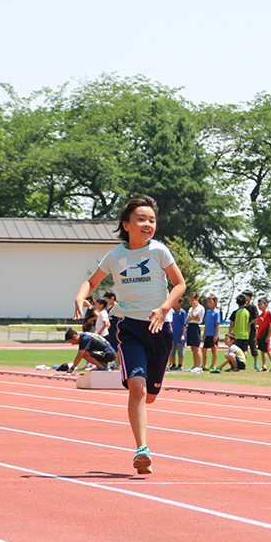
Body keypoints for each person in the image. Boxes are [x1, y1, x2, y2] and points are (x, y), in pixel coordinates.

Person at [74, 195, 185, 475]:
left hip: (159, 328)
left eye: (152, 220)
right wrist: (80, 296)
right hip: (128, 326)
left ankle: (144, 416)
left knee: (149, 396)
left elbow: (179, 284)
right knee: (138, 388)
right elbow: (91, 281)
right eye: (141, 219)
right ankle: (142, 449)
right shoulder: (115, 255)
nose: (148, 224)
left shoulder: (159, 251)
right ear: (126, 224)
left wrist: (163, 308)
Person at [256, 297, 271, 372]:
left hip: (265, 335)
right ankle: (264, 366)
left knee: (268, 350)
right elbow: (259, 327)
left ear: (266, 305)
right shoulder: (260, 316)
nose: (259, 306)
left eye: (261, 304)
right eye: (258, 305)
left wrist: (268, 335)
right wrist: (256, 337)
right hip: (260, 335)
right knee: (262, 350)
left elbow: (270, 325)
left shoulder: (268, 313)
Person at [242, 289, 260, 370]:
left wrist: (250, 323)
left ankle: (256, 363)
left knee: (253, 346)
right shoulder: (242, 307)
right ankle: (243, 363)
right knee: (243, 347)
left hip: (251, 330)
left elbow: (257, 318)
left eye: (246, 296)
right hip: (243, 330)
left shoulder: (253, 307)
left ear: (250, 297)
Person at [202, 295, 221, 371]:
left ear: (215, 302)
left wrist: (216, 335)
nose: (209, 304)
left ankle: (213, 365)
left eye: (210, 302)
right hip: (207, 334)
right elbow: (206, 323)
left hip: (213, 334)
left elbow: (217, 325)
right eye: (208, 302)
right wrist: (204, 333)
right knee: (204, 349)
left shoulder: (217, 312)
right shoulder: (208, 312)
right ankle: (204, 364)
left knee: (213, 349)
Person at [187, 292, 204, 370]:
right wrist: (192, 317)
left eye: (192, 300)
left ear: (197, 299)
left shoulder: (200, 308)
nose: (191, 303)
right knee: (192, 347)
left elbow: (195, 316)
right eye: (190, 301)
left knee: (196, 347)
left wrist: (193, 310)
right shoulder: (190, 308)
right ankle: (195, 365)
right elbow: (187, 319)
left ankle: (198, 366)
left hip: (195, 326)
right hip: (190, 326)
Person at [168, 298, 186, 370]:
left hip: (179, 334)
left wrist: (183, 334)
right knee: (172, 350)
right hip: (174, 335)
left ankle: (180, 365)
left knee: (180, 350)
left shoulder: (182, 313)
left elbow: (184, 324)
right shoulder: (174, 313)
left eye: (175, 303)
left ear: (180, 303)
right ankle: (173, 364)